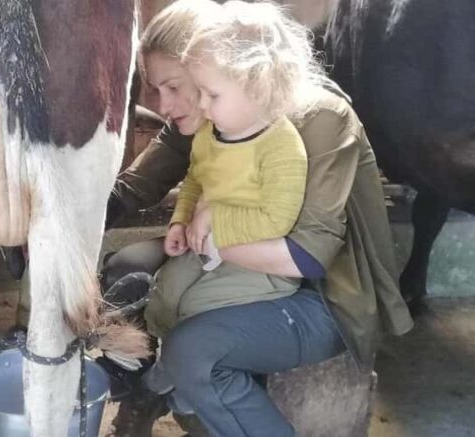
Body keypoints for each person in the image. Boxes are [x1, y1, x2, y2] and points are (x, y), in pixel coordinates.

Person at [102, 1, 414, 436]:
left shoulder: (317, 119)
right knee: (126, 267)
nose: (164, 105)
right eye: (157, 90)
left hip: (321, 288)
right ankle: (163, 397)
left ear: (214, 67)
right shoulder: (211, 114)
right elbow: (143, 182)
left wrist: (211, 232)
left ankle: (173, 394)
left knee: (195, 339)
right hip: (239, 250)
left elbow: (309, 255)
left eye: (174, 87)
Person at [144, 2, 312, 340]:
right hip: (205, 245)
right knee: (164, 292)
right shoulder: (209, 133)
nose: (204, 105)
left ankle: (179, 361)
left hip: (258, 263)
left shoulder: (282, 145)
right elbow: (194, 178)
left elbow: (278, 221)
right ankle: (157, 353)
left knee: (195, 306)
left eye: (210, 94)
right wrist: (181, 219)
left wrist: (215, 217)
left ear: (251, 83)